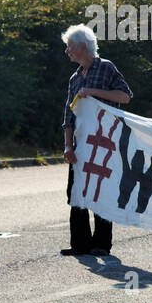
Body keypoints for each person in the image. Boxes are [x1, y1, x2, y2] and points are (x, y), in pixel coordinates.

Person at [60, 24, 132, 257]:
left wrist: (93, 92)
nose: (67, 51)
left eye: (69, 46)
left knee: (101, 189)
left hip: (104, 141)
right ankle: (79, 244)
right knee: (77, 191)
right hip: (80, 144)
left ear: (82, 46)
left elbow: (125, 96)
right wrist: (68, 146)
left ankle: (101, 243)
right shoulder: (73, 78)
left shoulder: (106, 68)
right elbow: (68, 116)